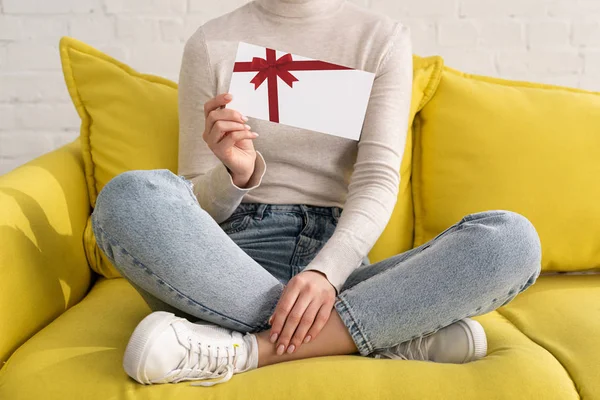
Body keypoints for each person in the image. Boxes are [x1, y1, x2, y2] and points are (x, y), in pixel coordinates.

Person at [91, 0, 542, 388]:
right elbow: (191, 202)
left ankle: (246, 350)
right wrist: (234, 173)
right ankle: (377, 332)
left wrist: (326, 273)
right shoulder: (211, 42)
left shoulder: (380, 39)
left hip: (336, 260)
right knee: (129, 196)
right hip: (228, 259)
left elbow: (377, 178)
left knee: (511, 240)